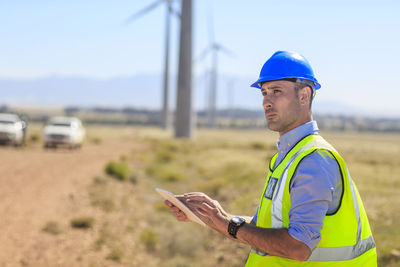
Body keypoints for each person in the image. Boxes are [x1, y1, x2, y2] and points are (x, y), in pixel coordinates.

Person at [165, 51, 377, 266]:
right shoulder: (287, 158)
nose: (267, 102)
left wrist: (226, 223)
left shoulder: (314, 160)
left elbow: (298, 247)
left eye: (277, 91)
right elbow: (262, 230)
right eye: (264, 93)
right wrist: (212, 215)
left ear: (304, 96)